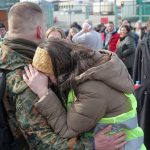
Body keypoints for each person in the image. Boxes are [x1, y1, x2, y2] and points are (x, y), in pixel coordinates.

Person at [0, 2, 127, 149]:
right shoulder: (28, 74)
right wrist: (90, 145)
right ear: (40, 31)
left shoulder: (7, 58)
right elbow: (42, 142)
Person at [23, 38, 145, 150]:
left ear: (60, 68)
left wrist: (43, 92)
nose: (48, 83)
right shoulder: (91, 67)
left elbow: (68, 130)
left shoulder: (92, 89)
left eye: (48, 77)